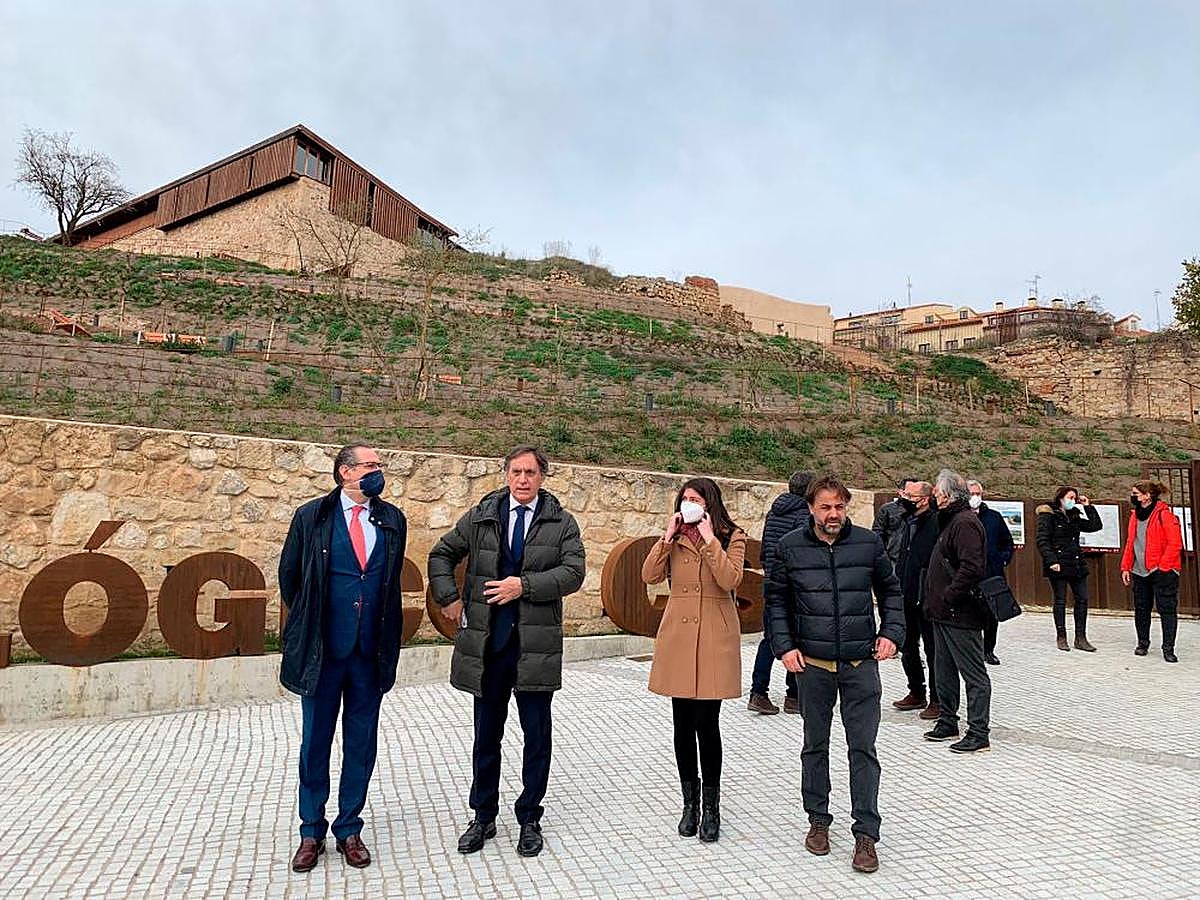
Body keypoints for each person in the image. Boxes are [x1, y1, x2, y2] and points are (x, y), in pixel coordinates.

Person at [428, 446, 585, 858]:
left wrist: (524, 586)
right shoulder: (482, 516)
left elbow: (574, 573)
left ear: (543, 477)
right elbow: (441, 553)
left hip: (534, 649)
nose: (522, 479)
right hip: (489, 648)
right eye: (515, 471)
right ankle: (483, 816)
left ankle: (530, 816)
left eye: (530, 472)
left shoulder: (561, 523)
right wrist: (448, 598)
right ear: (505, 473)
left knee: (537, 738)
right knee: (486, 737)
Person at [765, 474, 904, 874]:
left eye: (840, 507)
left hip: (861, 665)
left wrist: (892, 632)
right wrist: (784, 646)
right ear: (811, 508)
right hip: (813, 667)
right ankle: (818, 821)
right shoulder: (790, 547)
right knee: (815, 746)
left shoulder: (868, 543)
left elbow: (891, 592)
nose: (833, 514)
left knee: (863, 749)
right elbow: (775, 601)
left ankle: (866, 834)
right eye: (825, 507)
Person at [279, 442, 409, 872]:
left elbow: (387, 584)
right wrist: (314, 623)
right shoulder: (311, 517)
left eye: (379, 465)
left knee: (361, 743)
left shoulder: (391, 520)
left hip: (368, 654)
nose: (378, 471)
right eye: (370, 465)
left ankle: (349, 827)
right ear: (345, 472)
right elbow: (291, 578)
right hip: (324, 652)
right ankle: (310, 830)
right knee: (315, 741)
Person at [642, 478, 747, 843]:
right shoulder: (674, 536)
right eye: (685, 499)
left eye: (696, 499)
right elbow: (649, 575)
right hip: (679, 637)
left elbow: (730, 578)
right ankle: (690, 803)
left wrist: (709, 540)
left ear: (710, 504)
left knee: (708, 724)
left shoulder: (731, 535)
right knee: (682, 724)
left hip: (715, 635)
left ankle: (712, 807)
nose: (689, 504)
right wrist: (667, 537)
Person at [922, 469, 991, 754]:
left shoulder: (964, 523)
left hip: (960, 612)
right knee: (944, 668)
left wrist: (949, 596)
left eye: (936, 494)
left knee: (973, 673)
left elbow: (972, 567)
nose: (933, 498)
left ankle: (979, 732)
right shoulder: (950, 521)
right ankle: (947, 720)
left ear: (948, 496)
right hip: (942, 612)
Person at [748, 470, 812, 716]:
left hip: (772, 580)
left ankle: (758, 691)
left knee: (770, 636)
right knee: (797, 636)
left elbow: (766, 548)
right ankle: (793, 695)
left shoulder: (774, 511)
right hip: (795, 584)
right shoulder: (804, 515)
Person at [887, 480, 941, 721]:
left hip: (927, 596)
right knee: (908, 645)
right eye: (904, 494)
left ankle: (938, 699)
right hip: (906, 593)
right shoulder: (908, 521)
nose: (905, 499)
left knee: (933, 649)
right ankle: (916, 691)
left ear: (925, 499)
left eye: (910, 496)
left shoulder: (936, 522)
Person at [1121, 481, 1182, 663]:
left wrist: (1164, 567)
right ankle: (1142, 643)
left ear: (1147, 495)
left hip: (1162, 569)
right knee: (1141, 608)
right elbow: (1131, 542)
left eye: (1136, 493)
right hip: (1140, 569)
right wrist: (1126, 566)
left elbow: (1175, 543)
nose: (1133, 497)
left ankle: (1168, 648)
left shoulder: (1165, 515)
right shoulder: (1134, 516)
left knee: (1167, 609)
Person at [1035, 486, 1103, 652]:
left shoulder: (1074, 515)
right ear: (1060, 498)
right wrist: (1051, 560)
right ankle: (1061, 636)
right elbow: (1042, 540)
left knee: (1082, 599)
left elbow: (1095, 525)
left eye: (1075, 498)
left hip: (1076, 563)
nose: (1073, 501)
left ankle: (1081, 637)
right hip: (1058, 564)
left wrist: (1088, 506)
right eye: (1070, 497)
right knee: (1060, 600)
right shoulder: (1048, 515)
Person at [968, 479, 1015, 666]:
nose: (975, 497)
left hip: (992, 573)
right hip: (969, 574)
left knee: (991, 615)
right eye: (971, 494)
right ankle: (972, 650)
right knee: (970, 614)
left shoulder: (994, 517)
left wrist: (1002, 559)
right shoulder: (960, 517)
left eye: (978, 494)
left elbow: (1007, 542)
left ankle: (988, 650)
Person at [872, 476, 919, 567]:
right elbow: (878, 534)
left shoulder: (921, 510)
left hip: (914, 559)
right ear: (901, 492)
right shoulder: (887, 509)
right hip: (892, 560)